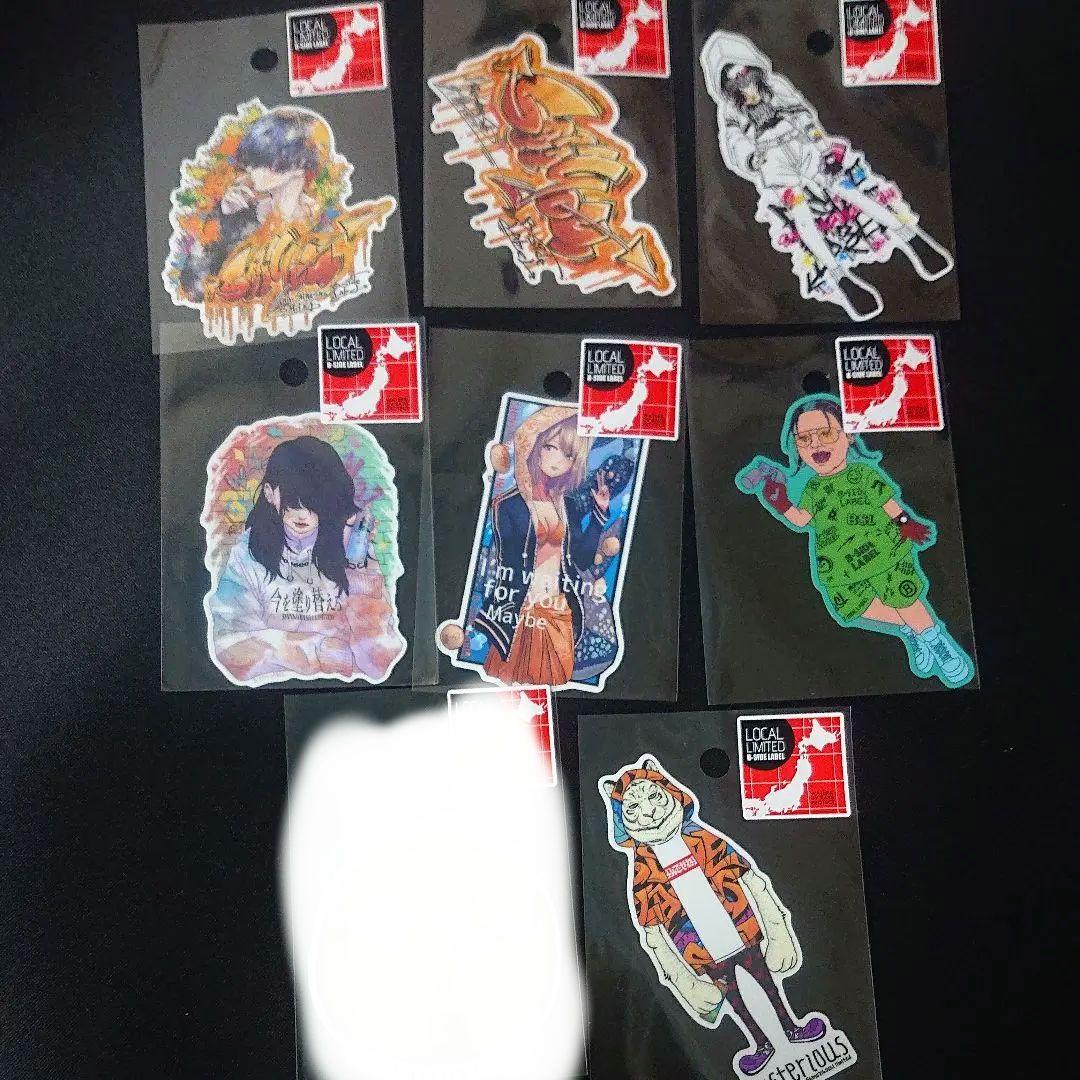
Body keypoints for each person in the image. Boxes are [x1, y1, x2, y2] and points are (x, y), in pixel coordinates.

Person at [701, 31, 953, 320]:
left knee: (849, 191)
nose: (743, 81)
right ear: (726, 84)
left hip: (804, 150)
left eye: (744, 72)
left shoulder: (776, 85)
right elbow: (735, 144)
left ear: (753, 67)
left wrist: (821, 146)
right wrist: (754, 160)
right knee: (802, 217)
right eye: (733, 77)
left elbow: (804, 114)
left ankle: (913, 239)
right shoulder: (730, 111)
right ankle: (840, 278)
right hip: (775, 166)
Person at [739, 396, 972, 687]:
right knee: (854, 608)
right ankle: (913, 630)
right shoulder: (812, 488)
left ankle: (938, 644)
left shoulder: (863, 474)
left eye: (826, 433)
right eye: (804, 439)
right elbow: (801, 520)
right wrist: (781, 503)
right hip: (840, 567)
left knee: (905, 598)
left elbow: (888, 503)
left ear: (848, 436)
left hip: (886, 553)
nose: (816, 445)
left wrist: (906, 523)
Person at [205, 435, 405, 686]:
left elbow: (379, 660)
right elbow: (229, 645)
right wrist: (318, 651)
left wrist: (360, 573)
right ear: (269, 493)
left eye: (314, 502)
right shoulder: (247, 553)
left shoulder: (353, 548)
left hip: (343, 692)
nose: (303, 514)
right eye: (293, 500)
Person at [476, 407, 611, 687]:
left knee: (558, 688)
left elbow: (581, 559)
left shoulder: (568, 505)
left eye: (568, 454)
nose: (557, 460)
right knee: (508, 687)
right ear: (535, 448)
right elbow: (506, 562)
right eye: (550, 447)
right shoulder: (508, 505)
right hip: (520, 611)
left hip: (558, 607)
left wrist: (599, 515)